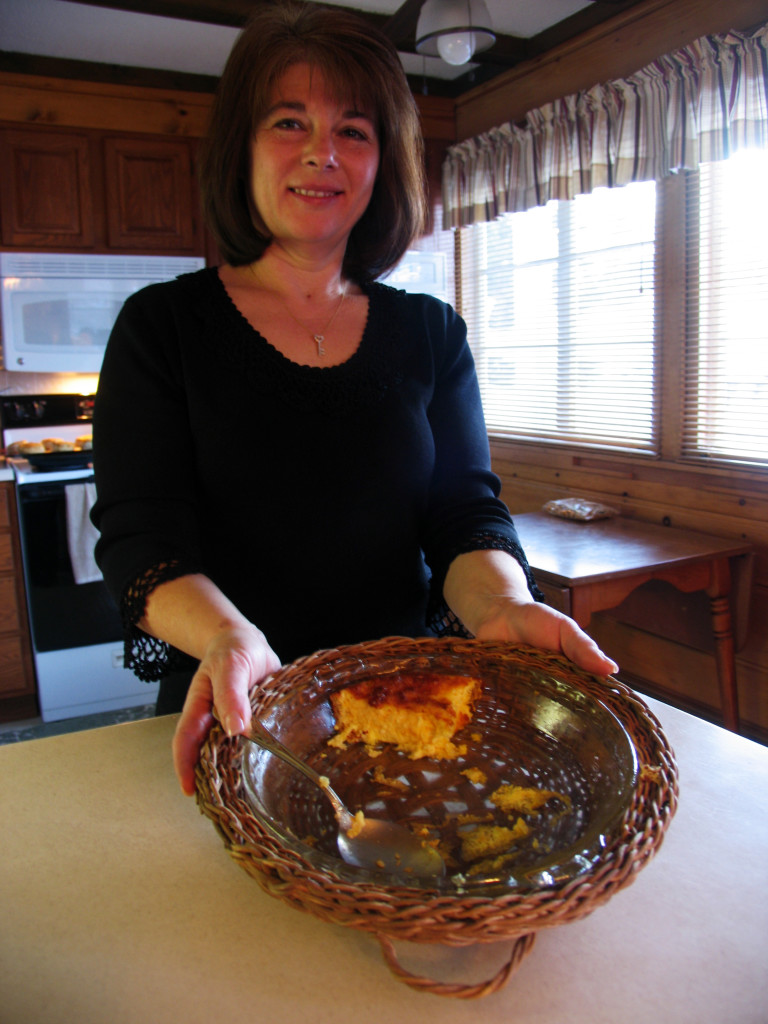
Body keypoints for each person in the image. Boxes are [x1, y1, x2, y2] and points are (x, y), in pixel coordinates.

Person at [91, 1, 617, 797]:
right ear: (242, 146)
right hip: (239, 711)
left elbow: (463, 516)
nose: (321, 155)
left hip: (406, 712)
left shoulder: (430, 333)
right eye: (288, 123)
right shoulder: (161, 328)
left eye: (353, 131)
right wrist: (231, 637)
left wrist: (503, 605)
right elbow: (142, 542)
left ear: (382, 163)